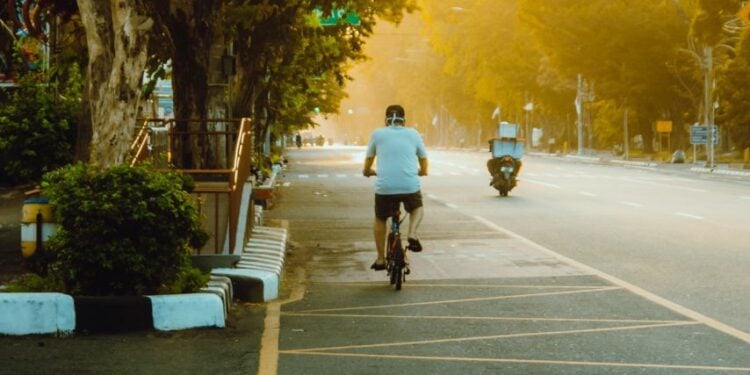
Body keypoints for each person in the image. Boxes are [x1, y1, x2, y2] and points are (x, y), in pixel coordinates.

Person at [363, 104, 428, 271]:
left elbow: (369, 158)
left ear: (386, 119)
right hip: (409, 186)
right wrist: (423, 172)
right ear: (403, 119)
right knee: (417, 208)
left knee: (380, 218)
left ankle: (379, 259)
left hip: (385, 188)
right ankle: (412, 233)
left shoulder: (377, 134)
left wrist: (367, 171)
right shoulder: (413, 133)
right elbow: (423, 159)